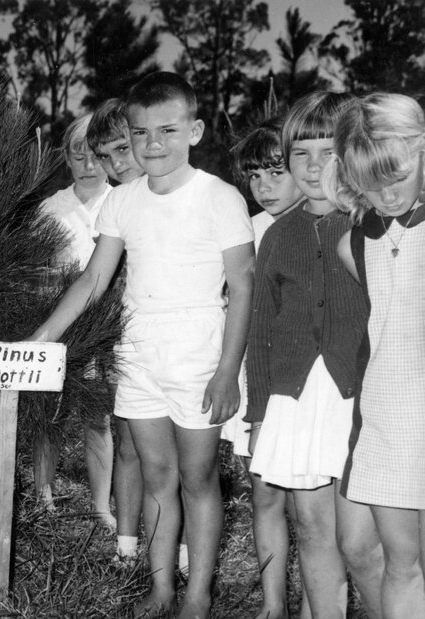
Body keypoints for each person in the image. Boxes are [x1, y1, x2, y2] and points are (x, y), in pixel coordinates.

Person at [30, 72, 254, 618]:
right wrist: (42, 337)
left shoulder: (219, 197)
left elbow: (243, 288)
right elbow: (93, 279)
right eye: (140, 133)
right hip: (139, 348)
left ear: (194, 131)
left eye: (167, 131)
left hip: (198, 348)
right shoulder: (123, 200)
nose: (153, 144)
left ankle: (197, 595)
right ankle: (160, 589)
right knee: (158, 476)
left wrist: (227, 370)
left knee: (198, 478)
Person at [246, 91, 383, 618]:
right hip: (297, 400)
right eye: (300, 154)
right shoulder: (278, 236)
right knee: (311, 527)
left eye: (328, 153)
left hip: (360, 397)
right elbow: (261, 331)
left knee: (361, 544)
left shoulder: (373, 224)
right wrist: (260, 414)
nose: (313, 167)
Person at [326, 92, 425, 619]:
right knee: (403, 565)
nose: (387, 194)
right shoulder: (355, 244)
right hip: (390, 420)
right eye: (371, 183)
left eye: (398, 177)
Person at [229, 118, 306, 619]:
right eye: (255, 177)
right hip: (256, 378)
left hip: (303, 383)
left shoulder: (328, 221)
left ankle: (317, 604)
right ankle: (272, 605)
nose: (265, 187)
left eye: (276, 173)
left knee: (310, 508)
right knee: (264, 496)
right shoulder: (248, 230)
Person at [38, 112, 113, 524]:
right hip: (59, 323)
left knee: (97, 417)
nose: (88, 166)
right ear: (66, 158)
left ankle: (101, 505)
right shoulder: (51, 209)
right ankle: (43, 495)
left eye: (96, 157)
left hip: (104, 328)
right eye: (78, 156)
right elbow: (36, 271)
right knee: (49, 413)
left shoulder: (121, 201)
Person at [85, 97, 146, 564]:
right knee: (126, 439)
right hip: (122, 338)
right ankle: (126, 547)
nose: (115, 164)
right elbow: (98, 279)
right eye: (104, 157)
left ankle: (180, 549)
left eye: (123, 149)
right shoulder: (115, 203)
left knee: (175, 455)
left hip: (177, 338)